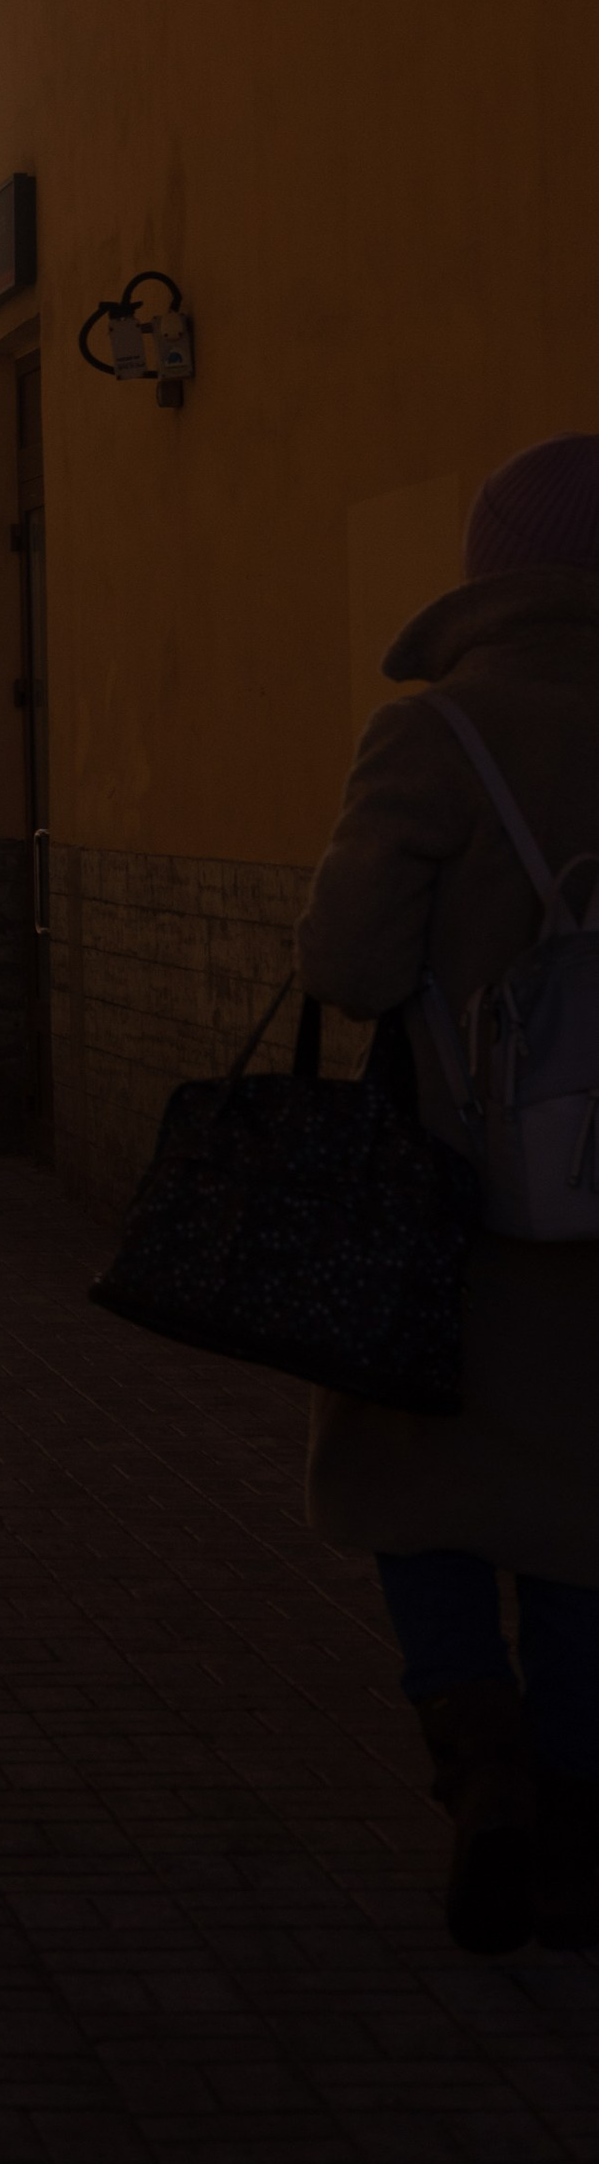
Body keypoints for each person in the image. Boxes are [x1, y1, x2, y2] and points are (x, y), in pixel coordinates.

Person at [296, 431, 599, 1953]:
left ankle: (480, 1765)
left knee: (423, 1478)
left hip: (456, 1200)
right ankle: (577, 1794)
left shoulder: (437, 739)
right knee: (583, 1504)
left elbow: (349, 965)